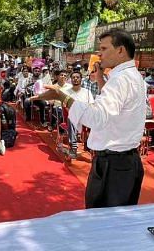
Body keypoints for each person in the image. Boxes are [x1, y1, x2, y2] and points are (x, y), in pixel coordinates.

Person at [32, 29, 145, 209]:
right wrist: (100, 78)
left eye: (104, 48)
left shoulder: (121, 80)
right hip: (125, 162)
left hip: (113, 166)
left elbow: (97, 118)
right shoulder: (132, 75)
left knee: (103, 223)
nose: (99, 54)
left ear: (120, 50)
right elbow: (116, 107)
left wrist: (62, 97)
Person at [63, 71, 95, 158]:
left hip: (85, 115)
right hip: (72, 114)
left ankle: (92, 145)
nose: (75, 79)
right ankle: (73, 147)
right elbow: (65, 106)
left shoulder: (87, 92)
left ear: (81, 79)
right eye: (73, 77)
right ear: (71, 79)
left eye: (77, 77)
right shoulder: (66, 92)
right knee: (72, 118)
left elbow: (91, 105)